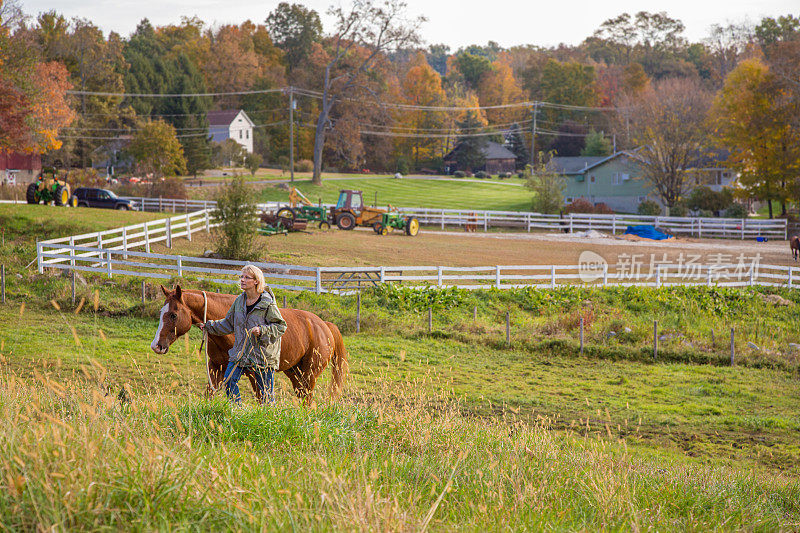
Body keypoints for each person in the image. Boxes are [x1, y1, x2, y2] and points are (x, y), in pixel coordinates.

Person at [197, 265, 286, 405]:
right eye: (241, 277)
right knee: (229, 381)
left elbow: (280, 326)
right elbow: (228, 323)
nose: (242, 280)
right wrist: (208, 326)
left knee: (266, 395)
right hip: (241, 353)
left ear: (256, 281)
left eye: (246, 277)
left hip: (262, 355)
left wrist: (262, 330)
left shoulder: (267, 302)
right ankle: (238, 412)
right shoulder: (239, 301)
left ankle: (269, 419)